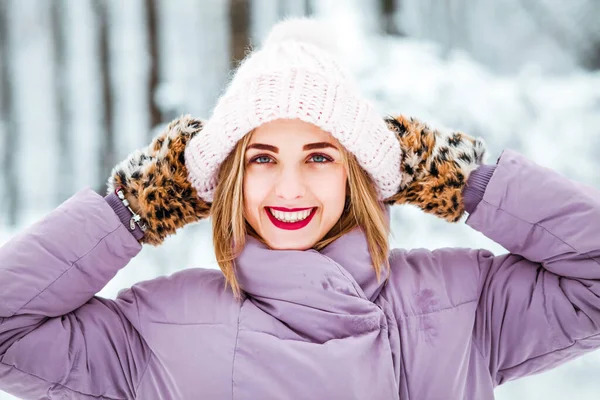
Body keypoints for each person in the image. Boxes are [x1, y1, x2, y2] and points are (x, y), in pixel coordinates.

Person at [0, 17, 599, 400]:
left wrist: (462, 179)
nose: (290, 188)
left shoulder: (461, 301)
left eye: (319, 157)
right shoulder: (156, 327)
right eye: (261, 159)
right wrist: (133, 207)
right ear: (228, 177)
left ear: (357, 172)